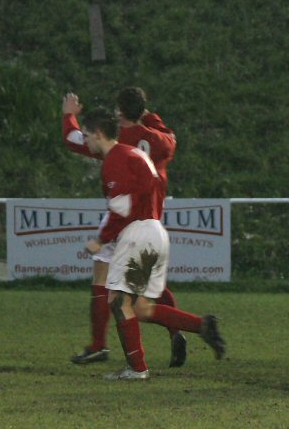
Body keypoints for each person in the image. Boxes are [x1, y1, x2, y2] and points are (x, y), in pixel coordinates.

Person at [77, 108, 225, 381]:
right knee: (142, 308)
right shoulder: (134, 154)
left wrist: (101, 239)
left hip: (138, 234)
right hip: (156, 230)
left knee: (119, 301)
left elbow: (122, 207)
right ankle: (201, 325)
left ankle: (137, 368)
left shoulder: (115, 160)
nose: (85, 141)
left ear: (99, 134)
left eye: (86, 135)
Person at [62, 88, 187, 367]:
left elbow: (73, 139)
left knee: (103, 277)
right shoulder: (160, 140)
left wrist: (69, 116)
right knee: (150, 285)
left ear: (119, 113)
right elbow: (170, 137)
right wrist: (148, 116)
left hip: (124, 216)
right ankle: (177, 329)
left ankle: (98, 345)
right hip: (152, 216)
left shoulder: (117, 141)